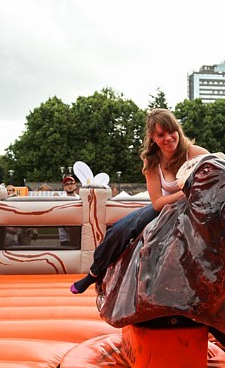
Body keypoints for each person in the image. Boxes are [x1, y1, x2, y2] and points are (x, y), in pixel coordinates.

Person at [70, 108, 209, 294]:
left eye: (171, 131)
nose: (168, 138)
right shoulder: (151, 162)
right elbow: (158, 202)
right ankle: (95, 273)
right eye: (161, 134)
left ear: (178, 130)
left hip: (193, 207)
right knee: (120, 229)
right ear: (153, 138)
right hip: (165, 208)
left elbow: (223, 168)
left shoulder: (194, 153)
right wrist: (186, 192)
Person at [59, 176, 79, 247]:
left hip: (78, 235)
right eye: (67, 184)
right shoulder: (60, 200)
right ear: (64, 187)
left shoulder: (80, 199)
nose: (69, 186)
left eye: (71, 183)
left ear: (75, 185)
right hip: (64, 237)